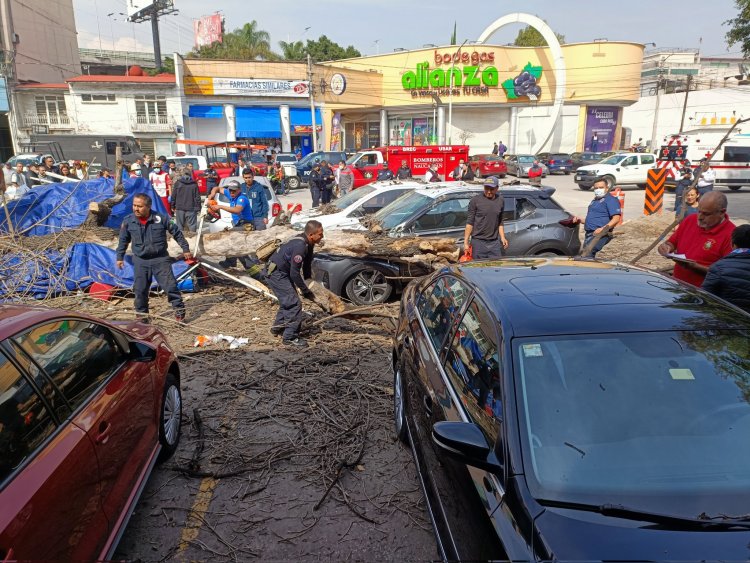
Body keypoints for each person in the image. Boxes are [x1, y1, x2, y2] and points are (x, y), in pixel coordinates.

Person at [116, 193, 193, 322]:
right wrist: (119, 257)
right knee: (140, 291)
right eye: (134, 205)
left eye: (139, 206)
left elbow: (177, 233)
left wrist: (185, 249)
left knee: (171, 287)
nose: (136, 209)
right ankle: (143, 317)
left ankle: (179, 313)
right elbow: (123, 240)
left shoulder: (161, 218)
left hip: (160, 260)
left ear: (148, 206)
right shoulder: (128, 221)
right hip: (141, 261)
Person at [265, 220, 325, 347]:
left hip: (281, 272)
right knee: (293, 303)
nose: (322, 236)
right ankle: (290, 337)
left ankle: (277, 328)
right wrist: (305, 290)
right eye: (320, 234)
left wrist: (309, 282)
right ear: (311, 235)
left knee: (288, 300)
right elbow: (294, 274)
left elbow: (307, 263)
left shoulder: (308, 243)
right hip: (276, 273)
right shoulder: (300, 246)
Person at [658, 191, 735, 286]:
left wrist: (695, 267)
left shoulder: (731, 234)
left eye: (706, 214)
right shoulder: (690, 220)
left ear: (722, 212)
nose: (700, 217)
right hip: (678, 286)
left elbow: (726, 274)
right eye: (699, 211)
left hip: (704, 293)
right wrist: (666, 247)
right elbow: (672, 243)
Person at [702, 224, 750, 312]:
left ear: (732, 244)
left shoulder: (719, 267)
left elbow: (704, 299)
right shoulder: (719, 267)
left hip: (729, 320)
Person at [573, 178, 621, 257]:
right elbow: (593, 219)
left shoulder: (610, 200)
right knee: (585, 255)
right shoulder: (595, 201)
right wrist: (580, 219)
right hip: (589, 234)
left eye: (601, 187)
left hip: (600, 233)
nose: (598, 190)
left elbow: (616, 218)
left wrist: (602, 229)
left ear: (607, 188)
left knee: (587, 254)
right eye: (596, 188)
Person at [463, 176, 509, 260]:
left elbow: (500, 221)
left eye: (491, 189)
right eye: (486, 188)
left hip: (494, 243)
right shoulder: (475, 201)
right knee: (478, 269)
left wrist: (502, 237)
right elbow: (470, 223)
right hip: (478, 243)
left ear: (497, 188)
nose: (488, 192)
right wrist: (466, 242)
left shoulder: (501, 200)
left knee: (495, 268)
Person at [169, 167, 201, 233]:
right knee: (192, 226)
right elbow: (197, 197)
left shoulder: (178, 183)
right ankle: (193, 239)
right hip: (191, 208)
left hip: (179, 207)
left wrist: (172, 206)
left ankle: (181, 240)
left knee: (180, 226)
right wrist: (198, 208)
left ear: (182, 174)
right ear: (190, 174)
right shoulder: (194, 184)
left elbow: (174, 195)